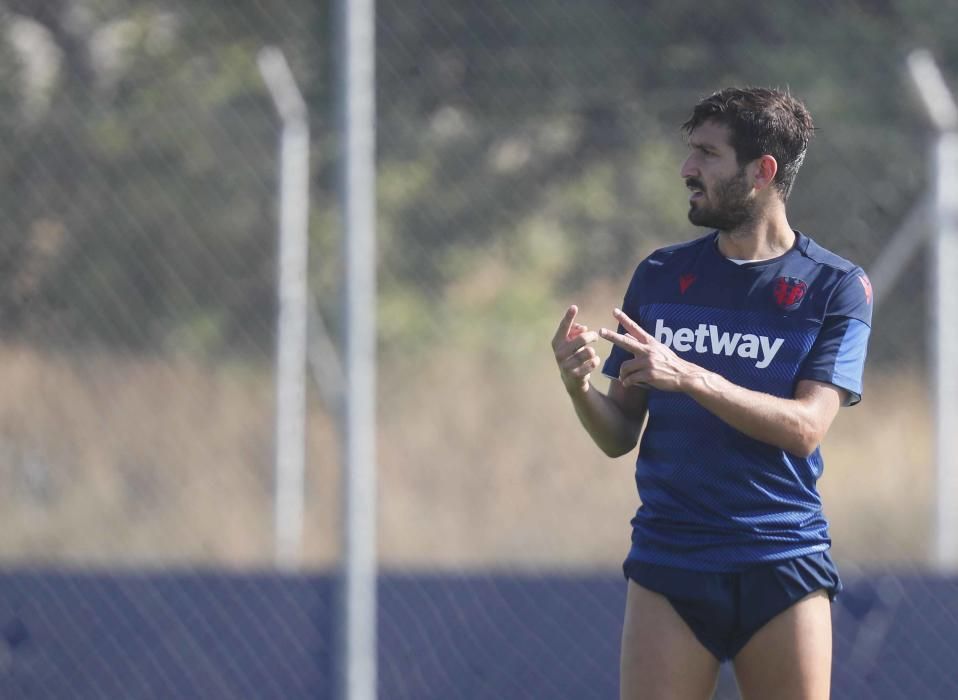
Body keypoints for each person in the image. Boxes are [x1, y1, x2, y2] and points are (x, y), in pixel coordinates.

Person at [550, 87, 872, 700]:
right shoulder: (661, 275)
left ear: (762, 171)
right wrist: (577, 386)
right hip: (671, 563)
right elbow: (620, 433)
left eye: (706, 154)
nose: (686, 170)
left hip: (782, 560)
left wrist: (691, 376)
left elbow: (806, 428)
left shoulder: (835, 287)